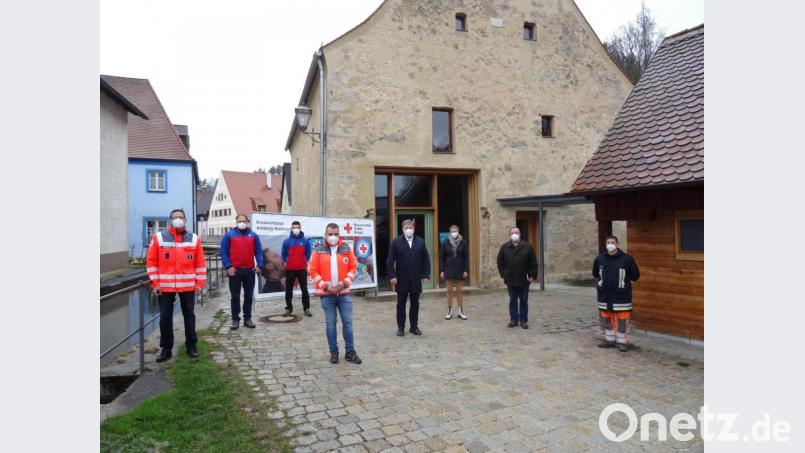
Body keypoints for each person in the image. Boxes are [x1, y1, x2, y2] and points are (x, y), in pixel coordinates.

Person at [146, 208, 206, 362]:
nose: (178, 220)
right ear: (170, 220)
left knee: (189, 316)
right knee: (165, 319)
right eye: (175, 217)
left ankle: (191, 346)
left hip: (188, 286)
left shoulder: (194, 239)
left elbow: (200, 264)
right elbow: (152, 262)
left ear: (185, 220)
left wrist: (200, 284)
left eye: (180, 217)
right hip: (165, 287)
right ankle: (166, 349)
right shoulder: (159, 237)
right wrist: (155, 283)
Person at [308, 223, 362, 364]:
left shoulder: (346, 248)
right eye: (330, 234)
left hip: (344, 293)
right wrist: (324, 286)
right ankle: (334, 352)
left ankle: (350, 352)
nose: (333, 236)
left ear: (339, 234)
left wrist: (344, 283)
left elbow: (353, 268)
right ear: (325, 234)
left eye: (336, 234)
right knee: (330, 324)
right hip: (327, 295)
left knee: (348, 324)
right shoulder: (318, 250)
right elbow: (312, 271)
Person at [593, 235, 640, 352]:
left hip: (621, 296)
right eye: (608, 242)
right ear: (605, 244)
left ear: (617, 244)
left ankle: (621, 342)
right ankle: (609, 340)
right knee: (606, 319)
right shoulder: (599, 259)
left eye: (612, 242)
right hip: (604, 295)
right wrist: (600, 284)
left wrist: (624, 285)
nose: (610, 244)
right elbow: (595, 274)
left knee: (622, 320)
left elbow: (635, 275)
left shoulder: (627, 259)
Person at [387, 219, 431, 336]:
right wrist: (392, 275)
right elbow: (390, 260)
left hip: (416, 278)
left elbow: (426, 259)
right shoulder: (396, 242)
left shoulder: (420, 242)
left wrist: (426, 274)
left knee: (415, 303)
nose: (409, 230)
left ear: (414, 229)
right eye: (406, 228)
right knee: (401, 303)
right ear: (402, 229)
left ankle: (414, 327)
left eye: (410, 227)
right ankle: (401, 327)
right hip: (401, 279)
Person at [220, 214, 264, 330]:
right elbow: (223, 252)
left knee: (249, 296)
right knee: (235, 296)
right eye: (240, 221)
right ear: (236, 222)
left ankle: (247, 319)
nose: (242, 223)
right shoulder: (229, 235)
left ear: (247, 222)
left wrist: (259, 265)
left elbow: (259, 251)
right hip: (235, 271)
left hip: (249, 270)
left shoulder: (253, 235)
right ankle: (235, 319)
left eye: (244, 221)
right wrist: (228, 266)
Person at [496, 226, 537, 329]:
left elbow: (533, 262)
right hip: (511, 279)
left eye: (517, 232)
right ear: (510, 235)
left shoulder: (527, 246)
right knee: (512, 300)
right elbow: (500, 263)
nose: (515, 234)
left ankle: (524, 320)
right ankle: (513, 320)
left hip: (524, 278)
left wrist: (532, 275)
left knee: (524, 300)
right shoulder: (504, 247)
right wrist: (504, 274)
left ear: (520, 234)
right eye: (513, 232)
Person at [281, 220, 312, 317]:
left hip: (302, 269)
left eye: (297, 227)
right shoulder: (287, 241)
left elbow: (308, 253)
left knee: (304, 289)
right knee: (289, 290)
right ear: (291, 229)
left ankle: (306, 309)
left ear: (300, 228)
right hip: (290, 269)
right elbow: (284, 254)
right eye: (294, 227)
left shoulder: (305, 241)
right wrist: (289, 261)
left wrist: (303, 260)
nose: (296, 229)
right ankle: (289, 309)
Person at [439, 225, 469, 320]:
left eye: (455, 231)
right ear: (450, 232)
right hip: (448, 268)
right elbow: (442, 257)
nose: (454, 232)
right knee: (449, 290)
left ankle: (460, 311)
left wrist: (465, 270)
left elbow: (466, 257)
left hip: (459, 268)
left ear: (458, 231)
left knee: (459, 291)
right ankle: (449, 311)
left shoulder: (463, 242)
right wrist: (442, 270)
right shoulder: (445, 242)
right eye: (452, 231)